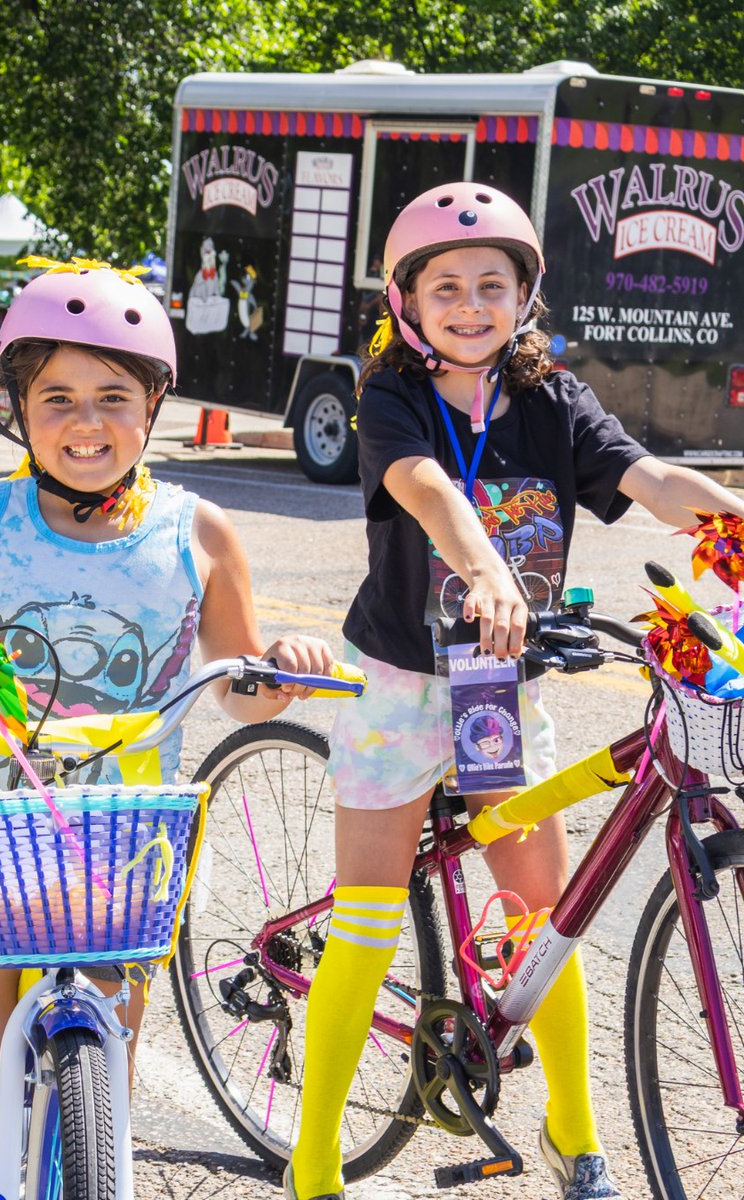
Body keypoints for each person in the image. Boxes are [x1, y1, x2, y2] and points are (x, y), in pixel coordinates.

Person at [0, 261, 337, 1200]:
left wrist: (281, 665)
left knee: (106, 1081)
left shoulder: (198, 534)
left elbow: (239, 687)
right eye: (58, 398)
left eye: (114, 396)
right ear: (18, 409)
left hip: (128, 843)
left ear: (155, 404)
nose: (87, 422)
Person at [284, 181, 744, 1200]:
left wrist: (728, 518)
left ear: (525, 294)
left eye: (493, 284)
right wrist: (486, 568)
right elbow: (426, 490)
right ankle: (314, 1160)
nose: (470, 303)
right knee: (364, 917)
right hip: (404, 675)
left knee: (547, 914)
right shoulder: (392, 394)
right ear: (406, 301)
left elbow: (645, 477)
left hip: (496, 682)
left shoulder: (550, 397)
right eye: (445, 286)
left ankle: (577, 1138)